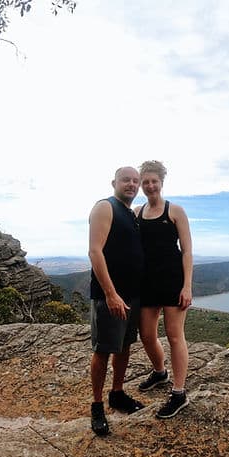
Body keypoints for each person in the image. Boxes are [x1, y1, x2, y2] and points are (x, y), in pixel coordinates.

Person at [88, 166, 146, 436]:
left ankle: (117, 393)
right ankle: (97, 405)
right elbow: (95, 251)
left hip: (132, 295)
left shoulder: (132, 214)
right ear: (114, 182)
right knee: (103, 350)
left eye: (136, 181)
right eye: (126, 180)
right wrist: (111, 293)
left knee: (124, 346)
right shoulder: (105, 207)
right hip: (109, 296)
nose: (132, 184)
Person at [135, 160, 193, 418]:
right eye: (145, 182)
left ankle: (179, 393)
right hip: (146, 281)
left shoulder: (175, 211)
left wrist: (187, 286)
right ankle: (160, 372)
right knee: (146, 334)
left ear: (161, 182)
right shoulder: (137, 212)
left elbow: (188, 251)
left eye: (153, 181)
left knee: (174, 335)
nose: (150, 186)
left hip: (172, 280)